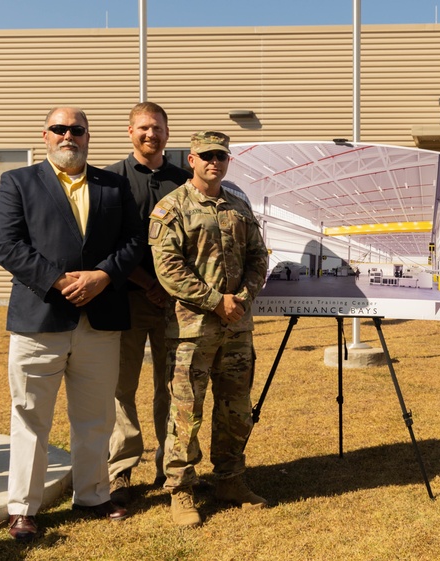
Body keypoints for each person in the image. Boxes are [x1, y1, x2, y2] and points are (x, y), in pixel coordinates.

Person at [0, 107, 143, 541]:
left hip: (100, 318)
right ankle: (23, 507)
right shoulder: (18, 182)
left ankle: (93, 494)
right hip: (40, 316)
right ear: (45, 135)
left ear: (88, 136)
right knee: (30, 417)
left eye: (77, 129)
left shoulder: (113, 184)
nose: (68, 135)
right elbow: (7, 245)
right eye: (60, 128)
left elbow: (134, 241)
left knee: (94, 417)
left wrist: (103, 276)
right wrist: (57, 280)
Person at [149, 131, 269, 526]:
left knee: (236, 409)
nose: (214, 162)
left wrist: (243, 299)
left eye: (221, 156)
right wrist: (218, 301)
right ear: (192, 160)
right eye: (207, 155)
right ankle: (181, 490)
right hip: (192, 332)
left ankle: (230, 479)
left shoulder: (237, 206)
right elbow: (169, 268)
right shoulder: (173, 208)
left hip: (237, 329)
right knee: (186, 413)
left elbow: (258, 257)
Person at [104, 102, 192, 503]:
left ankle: (169, 467)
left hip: (176, 304)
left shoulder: (184, 180)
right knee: (121, 386)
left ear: (167, 133)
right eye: (142, 128)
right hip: (126, 299)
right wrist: (146, 283)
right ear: (130, 132)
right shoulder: (109, 180)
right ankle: (120, 470)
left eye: (156, 128)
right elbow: (108, 244)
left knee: (172, 387)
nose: (150, 134)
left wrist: (172, 289)